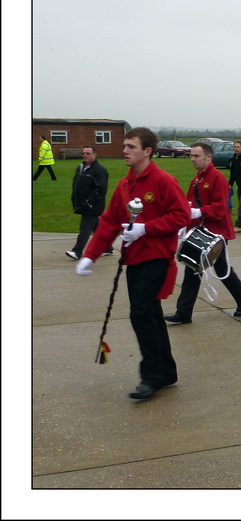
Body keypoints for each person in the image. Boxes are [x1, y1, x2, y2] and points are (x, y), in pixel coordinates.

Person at [75, 127, 191, 400]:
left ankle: (151, 376)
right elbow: (110, 221)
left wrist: (146, 228)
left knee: (141, 314)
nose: (124, 151)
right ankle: (165, 372)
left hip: (156, 257)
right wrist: (90, 254)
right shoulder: (126, 184)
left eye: (130, 146)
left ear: (147, 151)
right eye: (124, 146)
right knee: (148, 316)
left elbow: (181, 215)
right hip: (135, 259)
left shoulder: (163, 180)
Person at [164, 141, 241, 324]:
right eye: (191, 156)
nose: (193, 159)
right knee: (192, 270)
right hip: (200, 233)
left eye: (197, 156)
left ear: (208, 157)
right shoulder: (196, 179)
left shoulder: (217, 178)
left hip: (216, 234)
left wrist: (200, 212)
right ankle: (183, 313)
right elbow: (189, 205)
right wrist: (184, 223)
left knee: (222, 269)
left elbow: (221, 208)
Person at [67, 145, 114, 260]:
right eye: (83, 153)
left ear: (94, 154)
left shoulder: (100, 170)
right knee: (96, 228)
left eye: (88, 153)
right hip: (82, 204)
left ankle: (77, 251)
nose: (85, 155)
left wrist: (89, 202)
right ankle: (107, 248)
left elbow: (101, 189)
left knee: (85, 228)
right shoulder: (81, 167)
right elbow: (76, 183)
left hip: (92, 206)